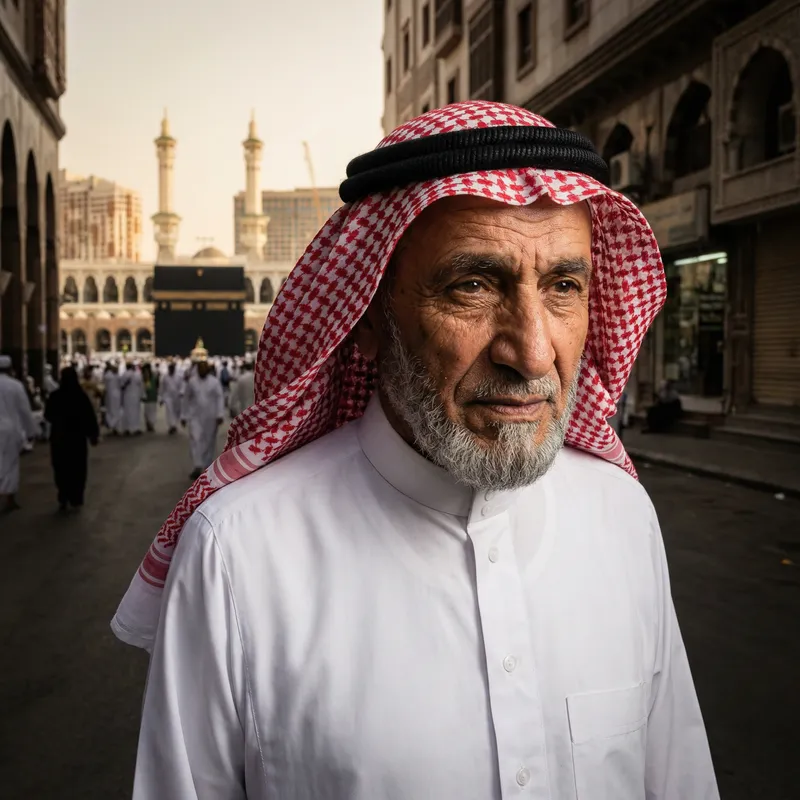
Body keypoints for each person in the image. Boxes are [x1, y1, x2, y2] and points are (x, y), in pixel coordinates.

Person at [114, 103, 718, 799]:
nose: (531, 351)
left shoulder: (621, 516)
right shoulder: (239, 555)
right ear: (367, 317)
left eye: (563, 287)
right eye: (473, 285)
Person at [44, 366, 100, 512]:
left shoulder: (55, 396)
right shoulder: (80, 396)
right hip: (77, 440)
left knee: (61, 468)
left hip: (59, 439)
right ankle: (76, 497)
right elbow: (89, 417)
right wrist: (93, 435)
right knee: (78, 468)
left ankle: (63, 495)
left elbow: (47, 415)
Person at [0, 354, 37, 512]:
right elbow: (24, 410)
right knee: (11, 464)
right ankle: (9, 500)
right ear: (10, 369)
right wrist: (31, 431)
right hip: (10, 429)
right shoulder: (15, 386)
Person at [180, 355, 224, 480]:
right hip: (195, 416)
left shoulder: (214, 382)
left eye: (205, 368)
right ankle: (197, 465)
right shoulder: (192, 382)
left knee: (209, 441)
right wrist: (184, 415)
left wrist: (220, 414)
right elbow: (186, 399)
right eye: (200, 368)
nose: (203, 370)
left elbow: (219, 397)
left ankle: (206, 467)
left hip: (211, 416)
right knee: (195, 439)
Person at [158, 361, 183, 434]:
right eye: (170, 369)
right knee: (169, 411)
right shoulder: (165, 377)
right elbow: (162, 388)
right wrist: (161, 398)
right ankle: (171, 426)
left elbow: (182, 386)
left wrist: (181, 393)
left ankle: (174, 425)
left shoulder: (178, 377)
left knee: (176, 412)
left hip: (176, 397)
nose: (171, 370)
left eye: (172, 369)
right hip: (168, 396)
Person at [120, 361, 144, 436]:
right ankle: (135, 428)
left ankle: (127, 429)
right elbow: (141, 385)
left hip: (127, 396)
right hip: (135, 396)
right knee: (135, 412)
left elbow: (121, 385)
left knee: (127, 412)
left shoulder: (124, 374)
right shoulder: (137, 374)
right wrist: (142, 395)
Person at [103, 362, 123, 435]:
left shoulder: (108, 375)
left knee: (112, 411)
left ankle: (113, 426)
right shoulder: (115, 376)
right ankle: (113, 426)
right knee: (115, 412)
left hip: (111, 396)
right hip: (115, 395)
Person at [141, 363, 159, 433]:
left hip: (149, 396)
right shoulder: (154, 375)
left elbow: (148, 387)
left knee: (148, 412)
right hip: (152, 396)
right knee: (151, 412)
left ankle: (150, 425)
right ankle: (150, 425)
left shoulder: (147, 376)